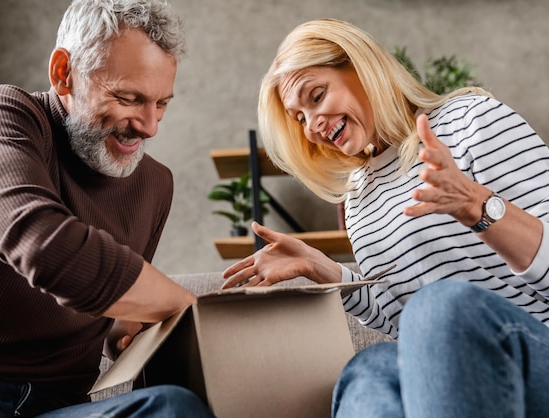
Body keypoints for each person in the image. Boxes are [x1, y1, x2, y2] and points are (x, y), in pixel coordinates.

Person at [221, 18, 549, 418]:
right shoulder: (359, 199)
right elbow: (405, 323)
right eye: (299, 117)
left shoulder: (472, 121)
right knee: (369, 369)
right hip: (462, 381)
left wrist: (477, 205)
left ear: (361, 67)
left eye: (317, 96)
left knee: (441, 306)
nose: (312, 127)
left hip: (534, 352)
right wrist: (325, 270)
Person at [0, 1, 215, 417]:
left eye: (162, 103)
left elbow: (113, 304)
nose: (150, 126)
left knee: (171, 408)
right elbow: (46, 248)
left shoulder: (155, 184)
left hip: (58, 409)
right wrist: (189, 307)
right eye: (128, 98)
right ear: (64, 73)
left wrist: (125, 332)